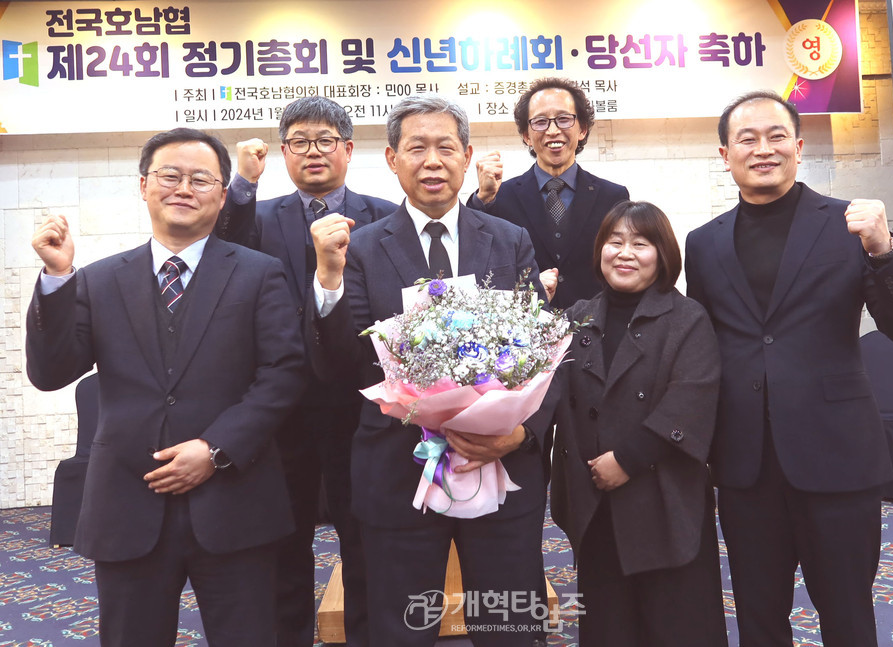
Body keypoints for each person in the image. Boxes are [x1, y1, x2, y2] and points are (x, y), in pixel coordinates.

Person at [25, 128, 305, 647]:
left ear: (223, 195)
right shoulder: (98, 279)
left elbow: (284, 373)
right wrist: (58, 278)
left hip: (235, 501)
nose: (184, 188)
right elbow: (51, 372)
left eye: (201, 179)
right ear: (143, 186)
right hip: (129, 502)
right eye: (169, 176)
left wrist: (215, 448)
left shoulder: (259, 274)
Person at [684, 90, 893, 646]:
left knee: (847, 613)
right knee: (758, 614)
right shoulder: (702, 244)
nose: (763, 148)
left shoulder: (851, 226)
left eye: (776, 136)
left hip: (837, 455)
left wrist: (885, 249)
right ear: (725, 155)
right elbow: (702, 348)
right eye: (746, 139)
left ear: (798, 147)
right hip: (745, 462)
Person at [308, 94, 551, 646]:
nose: (433, 161)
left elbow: (546, 349)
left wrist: (520, 431)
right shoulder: (360, 249)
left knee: (509, 624)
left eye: (446, 147)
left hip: (498, 466)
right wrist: (327, 281)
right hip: (398, 471)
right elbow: (339, 364)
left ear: (467, 158)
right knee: (400, 626)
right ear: (393, 160)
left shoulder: (509, 240)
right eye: (417, 148)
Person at [217, 95, 396, 647]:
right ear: (283, 152)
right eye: (299, 142)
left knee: (365, 537)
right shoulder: (256, 216)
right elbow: (222, 252)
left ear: (348, 149)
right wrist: (243, 185)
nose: (313, 153)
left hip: (360, 403)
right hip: (282, 409)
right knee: (284, 541)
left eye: (325, 141)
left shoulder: (384, 215)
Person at [528, 201, 727, 645]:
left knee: (675, 626)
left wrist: (627, 460)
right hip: (594, 502)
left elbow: (691, 399)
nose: (625, 252)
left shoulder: (687, 317)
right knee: (608, 627)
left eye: (641, 243)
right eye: (615, 241)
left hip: (663, 498)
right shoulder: (577, 315)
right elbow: (545, 391)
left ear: (663, 255)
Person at [469, 76, 629, 309]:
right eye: (540, 122)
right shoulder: (501, 197)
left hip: (596, 330)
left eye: (564, 119)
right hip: (525, 334)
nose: (553, 131)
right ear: (526, 135)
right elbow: (473, 250)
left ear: (582, 129)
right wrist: (482, 199)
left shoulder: (613, 197)